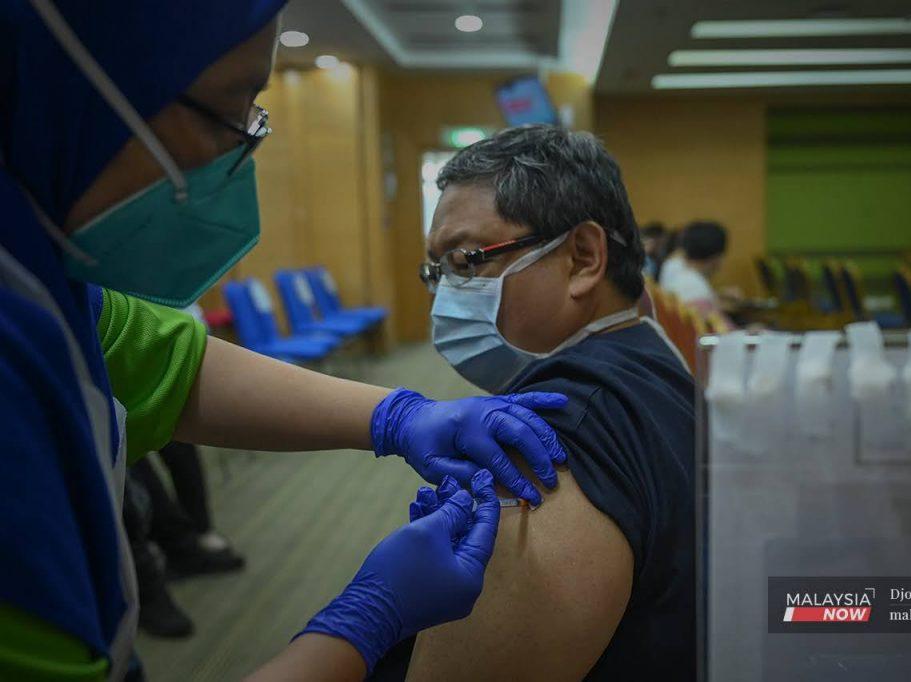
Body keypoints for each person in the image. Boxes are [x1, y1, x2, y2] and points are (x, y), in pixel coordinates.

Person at [1, 2, 570, 679]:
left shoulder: (32, 272)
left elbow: (171, 366)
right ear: (79, 93)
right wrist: (361, 623)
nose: (240, 149)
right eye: (229, 108)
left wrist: (399, 415)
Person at [370, 125, 697, 680]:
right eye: (439, 270)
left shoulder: (547, 435)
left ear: (584, 257)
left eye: (469, 260)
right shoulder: (647, 354)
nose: (447, 293)